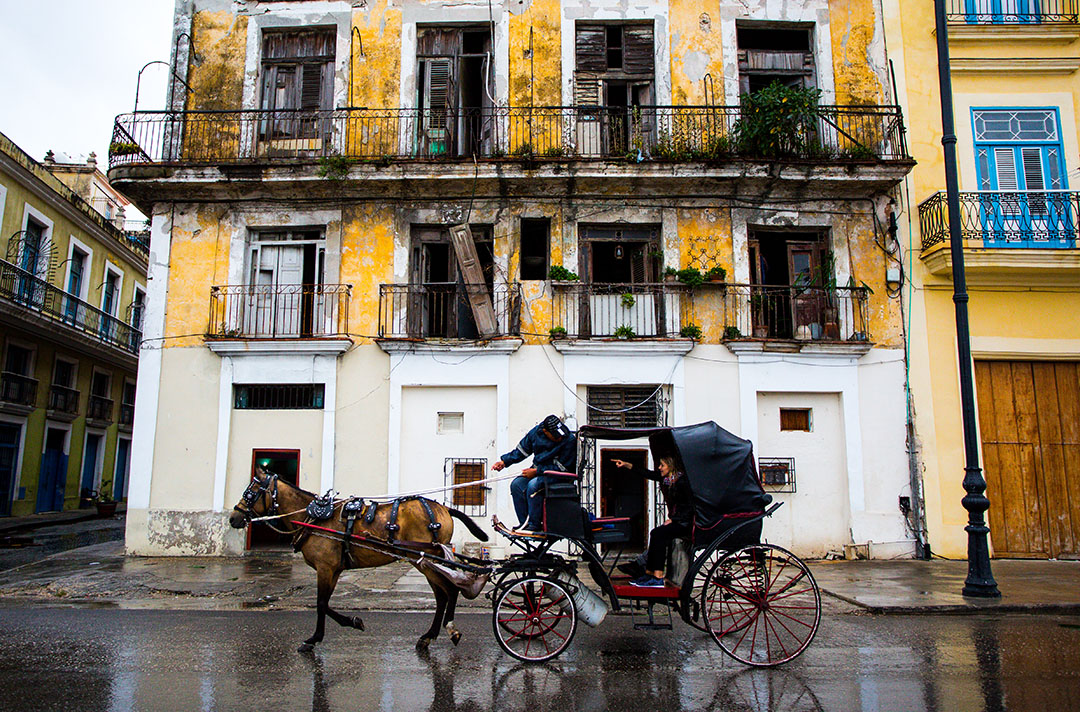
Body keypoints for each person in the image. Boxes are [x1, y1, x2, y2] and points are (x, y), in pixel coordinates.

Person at [611, 455, 691, 587]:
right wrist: (626, 464)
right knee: (656, 533)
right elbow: (647, 473)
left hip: (684, 523)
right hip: (679, 520)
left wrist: (674, 519)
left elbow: (689, 506)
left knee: (659, 534)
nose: (659, 468)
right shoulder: (669, 480)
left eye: (662, 465)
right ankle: (649, 573)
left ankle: (657, 576)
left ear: (670, 467)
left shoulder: (682, 482)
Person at [492, 414, 577, 535]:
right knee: (516, 485)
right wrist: (504, 462)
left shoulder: (569, 440)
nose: (559, 438)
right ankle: (524, 523)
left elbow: (564, 467)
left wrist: (537, 472)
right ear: (545, 431)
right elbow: (521, 451)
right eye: (555, 436)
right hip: (539, 470)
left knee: (533, 486)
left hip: (557, 475)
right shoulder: (536, 433)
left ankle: (535, 524)